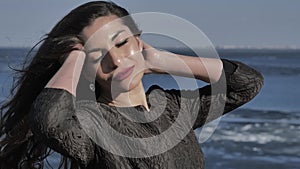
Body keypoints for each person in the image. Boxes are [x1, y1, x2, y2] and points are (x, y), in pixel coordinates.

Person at [0, 1, 263, 169]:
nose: (115, 59)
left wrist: (160, 59)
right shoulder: (92, 126)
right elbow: (49, 121)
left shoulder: (174, 109)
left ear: (139, 41)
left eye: (121, 43)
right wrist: (75, 56)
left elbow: (246, 83)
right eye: (96, 54)